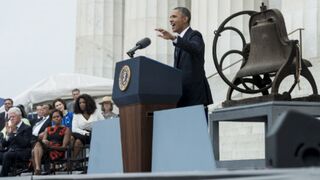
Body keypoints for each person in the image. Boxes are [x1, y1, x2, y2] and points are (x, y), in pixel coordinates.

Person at [155, 7, 213, 114]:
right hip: (182, 98)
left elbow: (195, 48)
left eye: (174, 16)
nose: (170, 20)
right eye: (170, 17)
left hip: (195, 98)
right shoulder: (178, 42)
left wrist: (173, 38)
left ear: (185, 19)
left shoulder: (194, 35)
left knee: (197, 130)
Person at [31, 109, 71, 175]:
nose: (56, 119)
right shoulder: (48, 129)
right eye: (54, 117)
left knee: (35, 150)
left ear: (61, 117)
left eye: (58, 116)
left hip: (57, 151)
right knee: (38, 144)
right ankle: (38, 169)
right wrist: (45, 142)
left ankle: (37, 169)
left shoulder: (66, 129)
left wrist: (50, 146)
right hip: (46, 149)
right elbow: (43, 141)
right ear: (52, 119)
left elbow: (64, 147)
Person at [0, 107, 32, 177]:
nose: (11, 118)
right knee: (5, 154)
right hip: (10, 151)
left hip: (22, 152)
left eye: (13, 116)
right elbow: (4, 144)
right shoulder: (11, 127)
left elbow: (24, 144)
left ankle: (3, 177)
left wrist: (14, 132)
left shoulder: (27, 128)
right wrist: (8, 134)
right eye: (10, 117)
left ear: (20, 116)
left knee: (7, 155)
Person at [72, 94, 104, 159]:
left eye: (84, 102)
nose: (81, 104)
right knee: (77, 142)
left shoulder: (96, 112)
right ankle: (73, 161)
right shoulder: (76, 114)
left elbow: (103, 123)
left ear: (88, 102)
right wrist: (85, 133)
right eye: (80, 103)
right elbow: (74, 129)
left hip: (96, 135)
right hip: (83, 135)